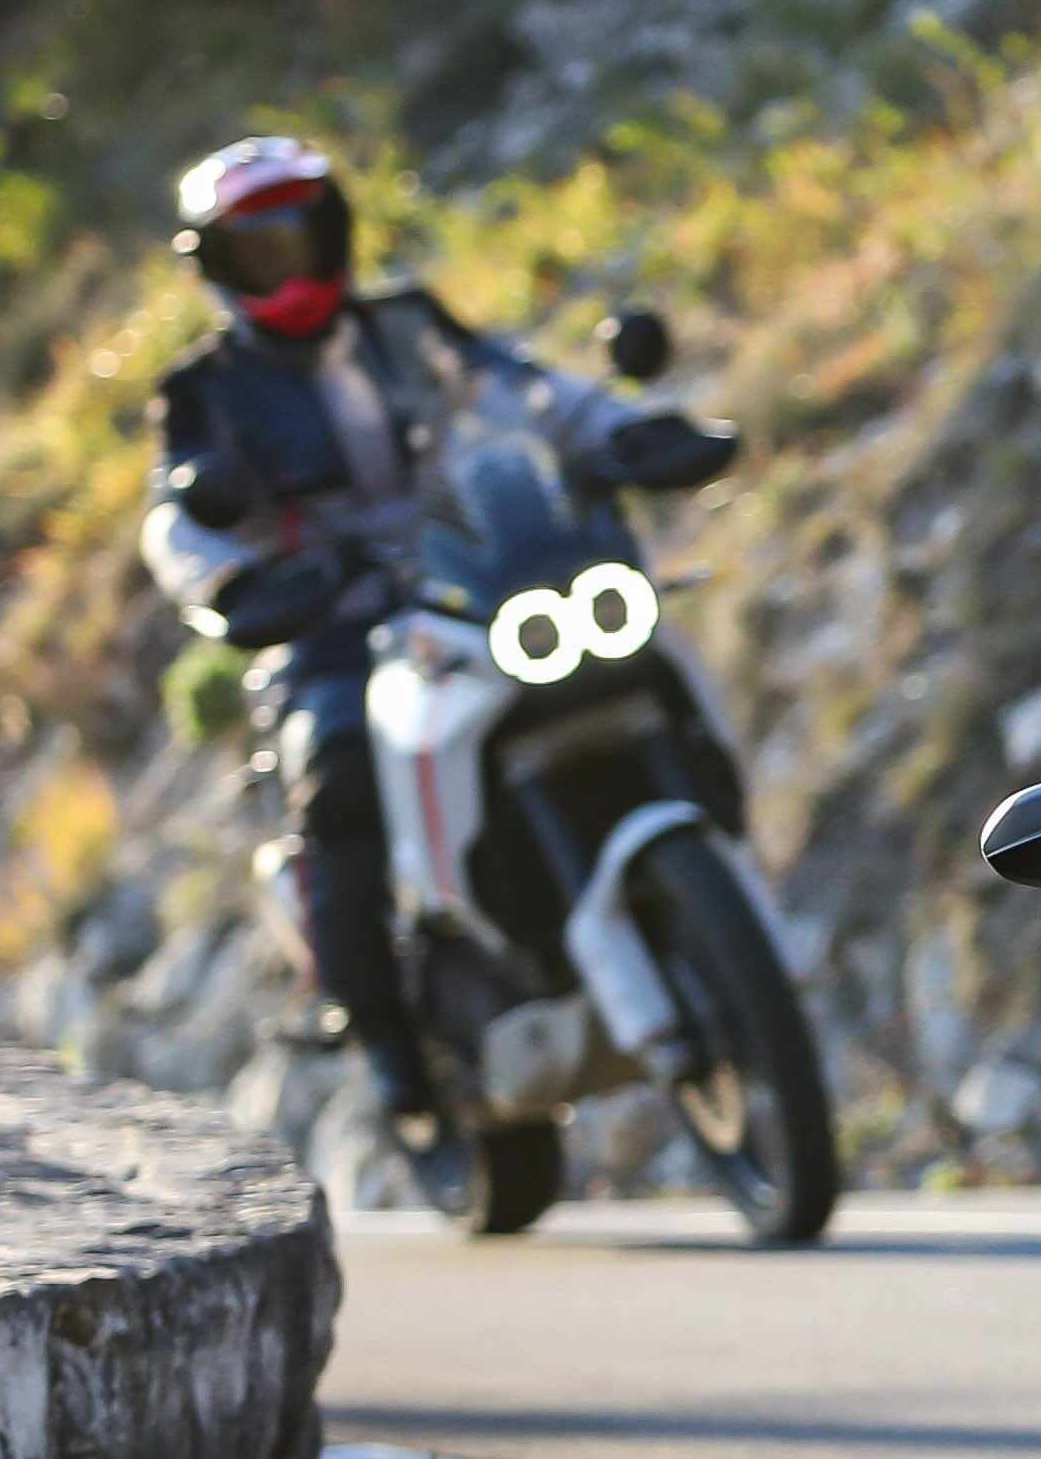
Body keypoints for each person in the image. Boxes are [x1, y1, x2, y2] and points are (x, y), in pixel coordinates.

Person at [139, 133, 734, 1210]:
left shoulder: (411, 328)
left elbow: (534, 392)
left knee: (635, 648)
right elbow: (178, 522)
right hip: (328, 631)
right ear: (222, 268)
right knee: (340, 778)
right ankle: (397, 1062)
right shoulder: (206, 393)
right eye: (262, 249)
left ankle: (694, 887)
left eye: (305, 234)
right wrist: (226, 587)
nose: (293, 263)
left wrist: (632, 435)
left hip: (477, 587)